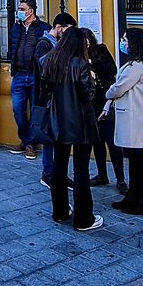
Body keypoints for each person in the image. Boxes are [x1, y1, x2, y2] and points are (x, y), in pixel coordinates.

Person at [43, 27, 103, 231]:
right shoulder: (81, 64)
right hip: (80, 121)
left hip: (58, 120)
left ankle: (59, 211)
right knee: (81, 169)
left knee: (58, 166)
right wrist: (92, 79)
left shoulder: (50, 61)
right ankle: (84, 218)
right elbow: (88, 94)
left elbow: (45, 91)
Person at [103, 28, 143, 216]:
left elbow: (119, 88)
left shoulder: (136, 66)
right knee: (135, 159)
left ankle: (142, 199)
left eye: (125, 39)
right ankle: (133, 196)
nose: (122, 42)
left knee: (138, 159)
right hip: (131, 114)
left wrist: (108, 91)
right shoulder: (134, 64)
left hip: (135, 116)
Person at [35, 12, 76, 189]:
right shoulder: (43, 44)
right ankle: (48, 173)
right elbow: (45, 66)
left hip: (60, 98)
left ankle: (60, 173)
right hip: (47, 97)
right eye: (67, 30)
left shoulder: (57, 44)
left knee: (58, 138)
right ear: (59, 27)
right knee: (49, 138)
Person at [83, 30, 126, 192]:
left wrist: (92, 63)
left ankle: (120, 179)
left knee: (112, 142)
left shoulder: (100, 50)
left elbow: (112, 70)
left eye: (87, 39)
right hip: (91, 103)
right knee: (97, 141)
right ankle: (102, 175)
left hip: (105, 101)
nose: (85, 43)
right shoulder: (78, 56)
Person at [8, 0, 51, 159]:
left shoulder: (44, 28)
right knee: (18, 109)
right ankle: (25, 139)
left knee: (34, 109)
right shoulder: (16, 28)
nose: (19, 11)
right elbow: (13, 48)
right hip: (19, 73)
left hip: (36, 75)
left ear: (30, 11)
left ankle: (31, 143)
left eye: (22, 8)